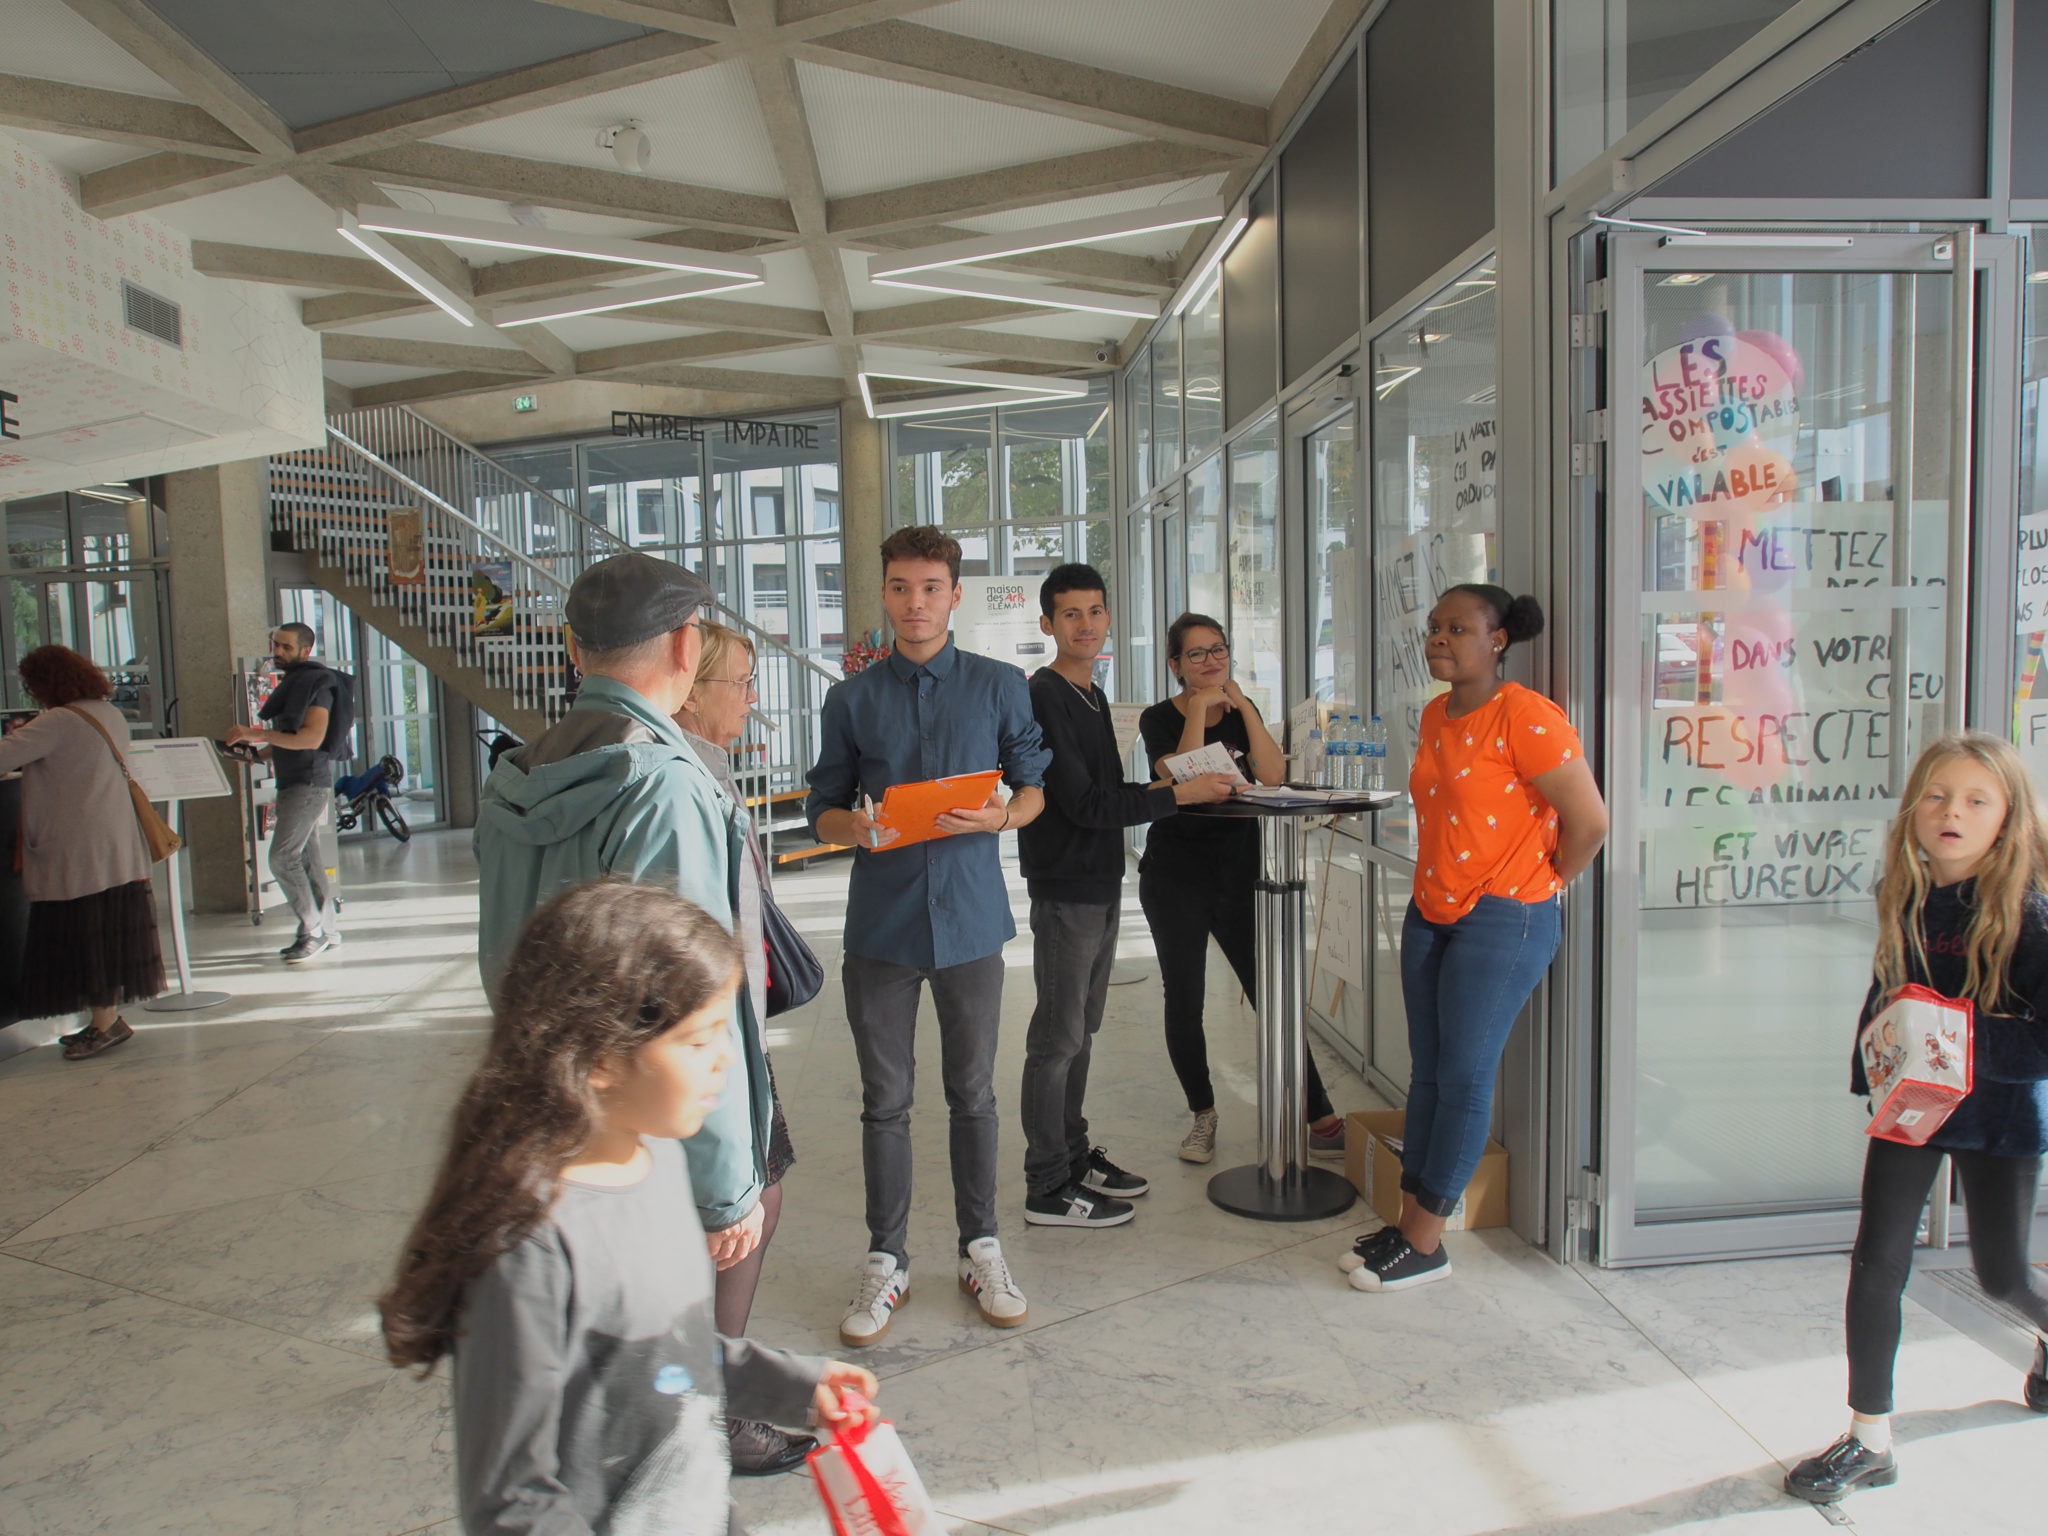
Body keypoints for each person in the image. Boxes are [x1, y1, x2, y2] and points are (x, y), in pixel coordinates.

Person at [379, 879, 880, 1536]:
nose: (725, 1060)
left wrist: (793, 1386)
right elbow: (509, 1502)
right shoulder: (527, 1247)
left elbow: (667, 1353)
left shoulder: (657, 1159)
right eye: (697, 1041)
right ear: (601, 1060)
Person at [474, 552, 778, 1367]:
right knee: (662, 1324)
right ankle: (709, 1410)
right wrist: (727, 1187)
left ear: (575, 650)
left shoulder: (518, 775)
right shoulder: (663, 787)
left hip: (550, 1108)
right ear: (686, 645)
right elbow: (688, 1004)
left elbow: (497, 957)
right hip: (647, 1119)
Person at [1783, 732, 2048, 1505]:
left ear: (2008, 817)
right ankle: (1870, 1439)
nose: (1950, 812)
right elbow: (1888, 992)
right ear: (1912, 810)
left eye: (1975, 800)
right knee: (1877, 1261)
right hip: (1915, 1108)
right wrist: (1873, 1069)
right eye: (1936, 795)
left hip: (1999, 1114)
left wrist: (1954, 1040)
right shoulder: (1904, 891)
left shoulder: (2033, 914)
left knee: (2002, 1276)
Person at [806, 525, 1052, 1346]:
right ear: (885, 593)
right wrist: (853, 827)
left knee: (974, 1093)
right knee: (885, 1100)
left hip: (971, 920)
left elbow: (1033, 786)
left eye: (931, 588)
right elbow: (822, 807)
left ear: (954, 595)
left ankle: (981, 1248)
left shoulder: (999, 685)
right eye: (901, 587)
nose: (916, 603)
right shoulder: (852, 699)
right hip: (881, 924)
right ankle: (887, 1258)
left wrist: (1003, 818)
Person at [1339, 584, 1606, 1293]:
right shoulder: (1436, 714)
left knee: (1462, 1076)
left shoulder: (1526, 715)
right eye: (1434, 627)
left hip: (1503, 918)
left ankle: (1427, 1243)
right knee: (1427, 1073)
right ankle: (1407, 1224)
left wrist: (1545, 881)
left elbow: (1591, 822)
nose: (1438, 638)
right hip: (1432, 910)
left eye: (1457, 629)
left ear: (1498, 640)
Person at [1017, 566, 1235, 1228]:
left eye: (1095, 611)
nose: (1085, 625)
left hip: (1098, 880)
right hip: (1066, 886)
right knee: (1056, 1038)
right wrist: (1180, 795)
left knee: (1080, 1032)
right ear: (1048, 624)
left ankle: (1073, 1154)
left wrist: (1169, 791)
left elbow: (1109, 795)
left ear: (1109, 618)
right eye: (1070, 614)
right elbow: (1085, 805)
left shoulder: (1091, 694)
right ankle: (1047, 1184)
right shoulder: (1045, 695)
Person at [671, 619, 809, 1475]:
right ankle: (707, 1406)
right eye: (742, 683)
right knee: (747, 1200)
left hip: (712, 1028)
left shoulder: (690, 763)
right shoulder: (686, 775)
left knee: (754, 1194)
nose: (752, 701)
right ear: (691, 687)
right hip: (710, 1033)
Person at [1137, 613, 1347, 1164]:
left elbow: (1272, 775)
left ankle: (1319, 1115)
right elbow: (1184, 776)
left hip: (1237, 871)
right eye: (1197, 654)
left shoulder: (1242, 706)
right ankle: (1203, 1115)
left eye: (1219, 649)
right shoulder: (1158, 717)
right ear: (1175, 665)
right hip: (1175, 875)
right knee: (1185, 999)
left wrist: (1245, 708)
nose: (1211, 661)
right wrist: (1200, 710)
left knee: (1270, 992)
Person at [0, 645, 165, 1059]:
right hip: (112, 841)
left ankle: (104, 1024)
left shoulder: (58, 720)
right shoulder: (106, 711)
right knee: (106, 932)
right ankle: (105, 1019)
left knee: (85, 935)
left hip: (78, 849)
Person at [227, 623, 346, 963]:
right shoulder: (297, 683)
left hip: (307, 784)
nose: (277, 652)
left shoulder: (317, 685)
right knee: (308, 860)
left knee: (282, 857)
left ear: (306, 651)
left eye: (286, 647)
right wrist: (256, 754)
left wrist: (257, 734)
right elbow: (288, 741)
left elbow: (310, 739)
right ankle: (327, 930)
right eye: (276, 645)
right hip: (294, 781)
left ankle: (312, 928)